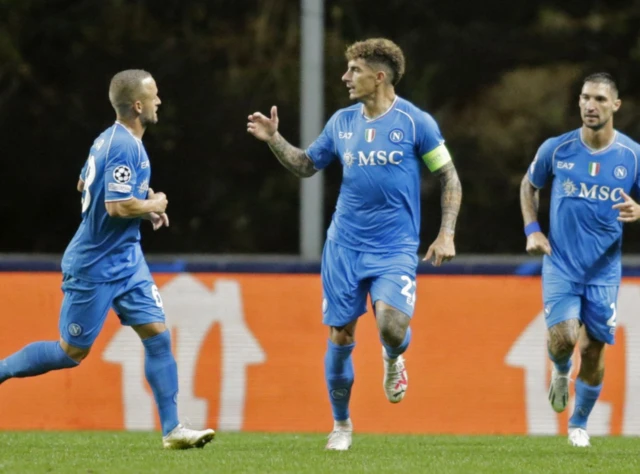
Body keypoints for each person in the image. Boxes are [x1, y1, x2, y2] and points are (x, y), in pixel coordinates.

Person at [247, 38, 462, 450]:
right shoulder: (342, 123)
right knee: (341, 336)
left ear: (378, 76)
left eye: (354, 70)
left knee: (392, 326)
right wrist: (275, 139)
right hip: (344, 246)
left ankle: (393, 357)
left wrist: (447, 232)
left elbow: (449, 177)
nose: (345, 77)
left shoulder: (417, 123)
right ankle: (341, 425)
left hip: (395, 247)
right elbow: (307, 165)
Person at [0, 69, 215, 450]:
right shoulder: (123, 145)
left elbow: (85, 183)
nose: (159, 101)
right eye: (154, 96)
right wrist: (154, 203)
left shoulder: (109, 140)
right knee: (71, 352)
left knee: (158, 336)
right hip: (94, 264)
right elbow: (115, 207)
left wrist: (142, 205)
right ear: (138, 105)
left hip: (127, 260)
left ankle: (173, 430)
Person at [520, 72, 640, 447]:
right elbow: (529, 185)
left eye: (600, 100)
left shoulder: (631, 155)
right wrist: (532, 229)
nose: (591, 105)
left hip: (604, 270)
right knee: (565, 337)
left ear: (615, 106)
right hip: (561, 262)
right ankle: (559, 369)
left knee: (593, 348)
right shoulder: (557, 149)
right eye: (586, 98)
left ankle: (579, 424)